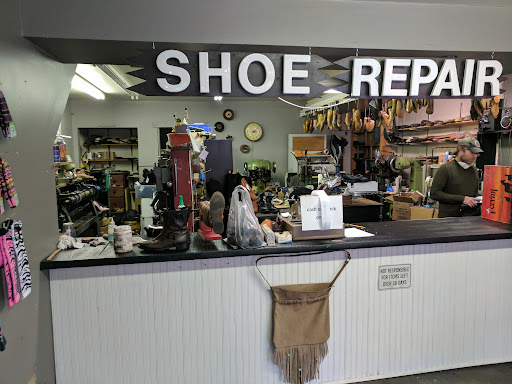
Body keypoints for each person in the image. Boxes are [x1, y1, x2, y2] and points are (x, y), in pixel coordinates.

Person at [431, 137, 483, 218]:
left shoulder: (473, 170)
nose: (475, 156)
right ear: (461, 150)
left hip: (468, 218)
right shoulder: (446, 169)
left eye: (477, 153)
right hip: (449, 219)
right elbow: (434, 194)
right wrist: (462, 199)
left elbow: (472, 193)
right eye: (472, 152)